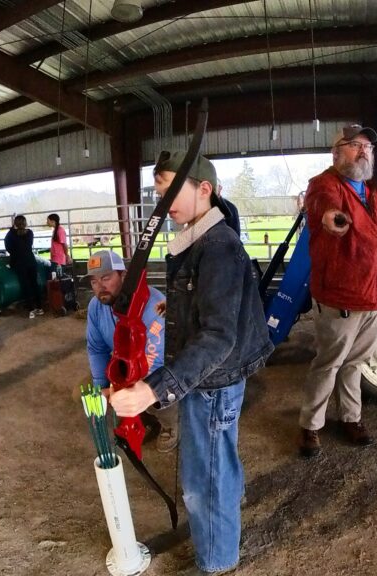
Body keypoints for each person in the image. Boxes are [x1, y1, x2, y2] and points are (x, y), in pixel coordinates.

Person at [109, 150, 273, 575]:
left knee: (206, 478)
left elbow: (219, 335)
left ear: (205, 189)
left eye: (170, 192)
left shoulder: (217, 248)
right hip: (208, 376)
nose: (162, 205)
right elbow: (213, 310)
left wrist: (152, 388)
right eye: (158, 194)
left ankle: (217, 562)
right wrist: (179, 310)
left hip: (212, 382)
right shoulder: (199, 235)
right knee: (218, 466)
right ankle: (218, 536)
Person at [297, 124, 377, 458]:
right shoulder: (326, 185)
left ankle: (350, 419)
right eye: (354, 145)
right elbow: (322, 207)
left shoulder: (376, 196)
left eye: (367, 146)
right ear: (336, 152)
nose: (363, 151)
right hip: (339, 298)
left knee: (356, 363)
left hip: (375, 298)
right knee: (329, 364)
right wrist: (330, 217)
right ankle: (310, 427)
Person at [84, 250, 177, 452]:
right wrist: (101, 387)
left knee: (154, 390)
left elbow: (157, 358)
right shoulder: (95, 307)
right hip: (126, 364)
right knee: (83, 393)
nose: (100, 287)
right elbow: (96, 348)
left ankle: (171, 424)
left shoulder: (156, 304)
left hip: (161, 368)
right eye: (94, 281)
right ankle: (142, 419)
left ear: (124, 276)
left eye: (106, 278)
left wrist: (123, 388)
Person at [5, 214, 44, 318]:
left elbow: (9, 249)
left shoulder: (10, 235)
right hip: (31, 261)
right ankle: (40, 308)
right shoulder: (30, 233)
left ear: (15, 223)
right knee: (34, 284)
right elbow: (27, 245)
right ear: (25, 223)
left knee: (25, 286)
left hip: (19, 263)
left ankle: (31, 309)